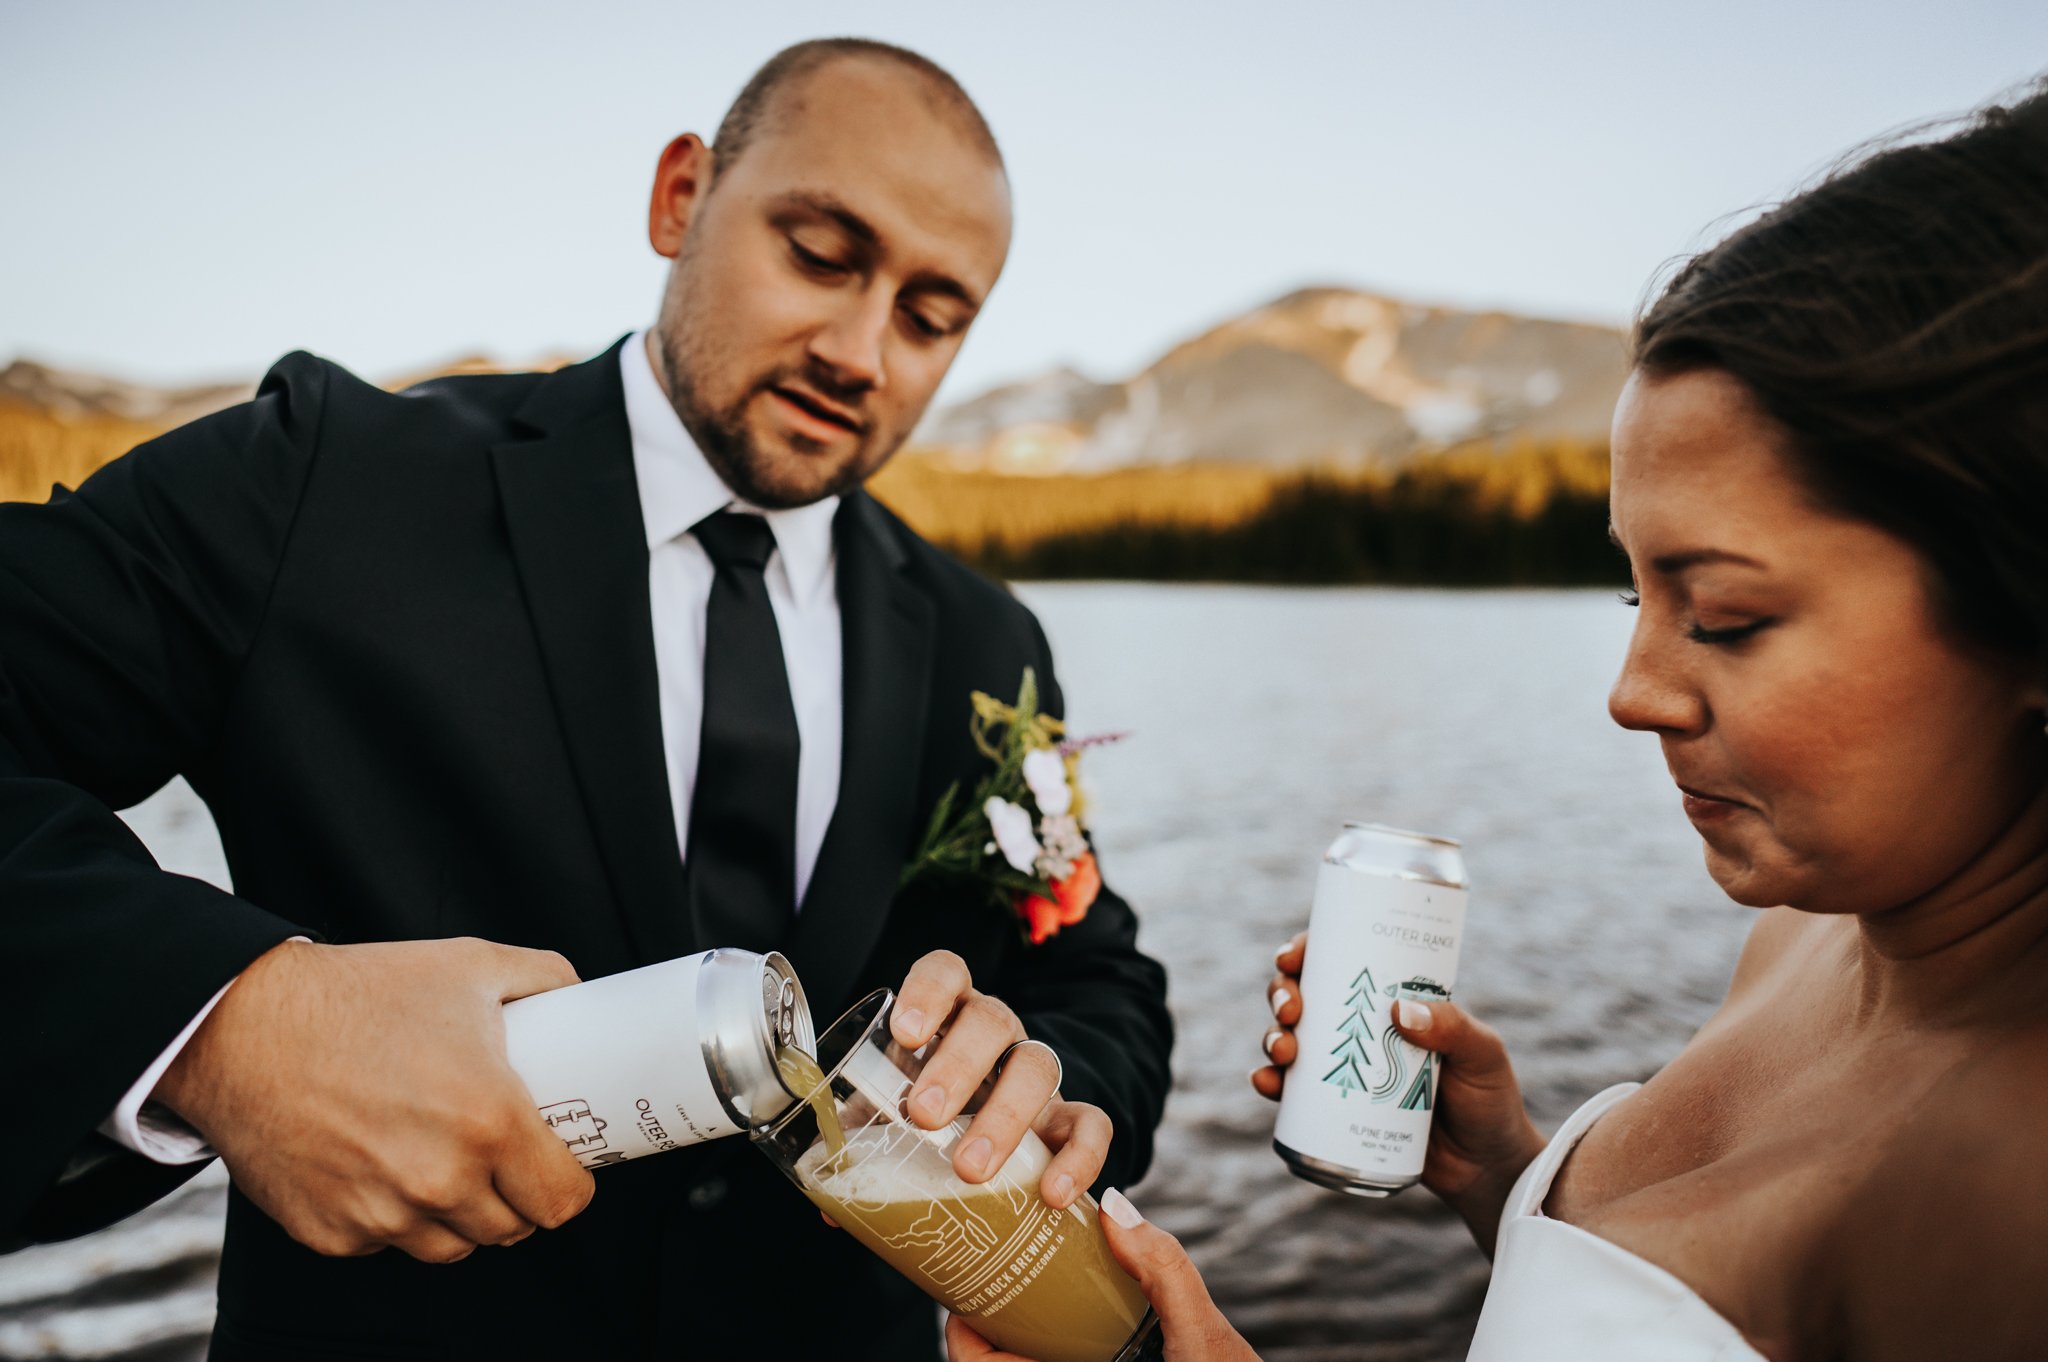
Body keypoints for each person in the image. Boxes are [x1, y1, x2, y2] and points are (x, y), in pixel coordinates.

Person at [0, 38, 1173, 1361]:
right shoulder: (326, 487)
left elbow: (1093, 966)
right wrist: (222, 1022)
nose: (861, 350)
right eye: (821, 253)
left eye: (930, 316)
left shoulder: (983, 635)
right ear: (681, 197)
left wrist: (1057, 1085)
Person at [947, 82, 2048, 1362]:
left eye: (1726, 617)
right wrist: (1501, 1177)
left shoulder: (2013, 1191)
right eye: (1629, 589)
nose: (1629, 692)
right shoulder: (1798, 943)